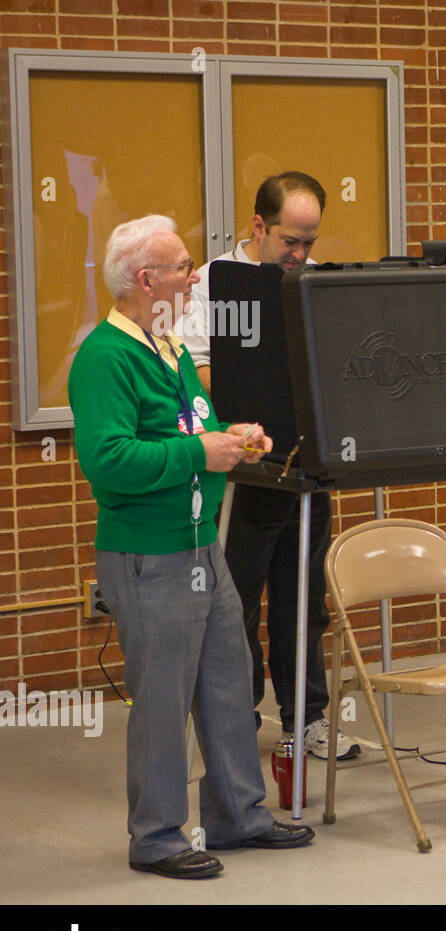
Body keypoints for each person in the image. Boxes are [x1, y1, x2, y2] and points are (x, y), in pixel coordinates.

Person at [68, 214, 314, 879]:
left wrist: (232, 437)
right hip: (150, 553)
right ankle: (155, 836)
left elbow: (193, 429)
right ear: (148, 280)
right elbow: (110, 459)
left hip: (202, 544)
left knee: (229, 682)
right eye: (181, 266)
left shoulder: (169, 346)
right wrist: (199, 451)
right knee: (163, 698)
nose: (194, 274)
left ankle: (238, 815)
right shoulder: (105, 357)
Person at [179, 172, 356, 760]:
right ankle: (235, 719)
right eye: (290, 241)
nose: (301, 254)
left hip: (307, 461)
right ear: (258, 226)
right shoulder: (211, 286)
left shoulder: (308, 282)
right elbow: (194, 374)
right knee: (236, 599)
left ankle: (305, 720)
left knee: (303, 598)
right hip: (246, 467)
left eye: (310, 242)